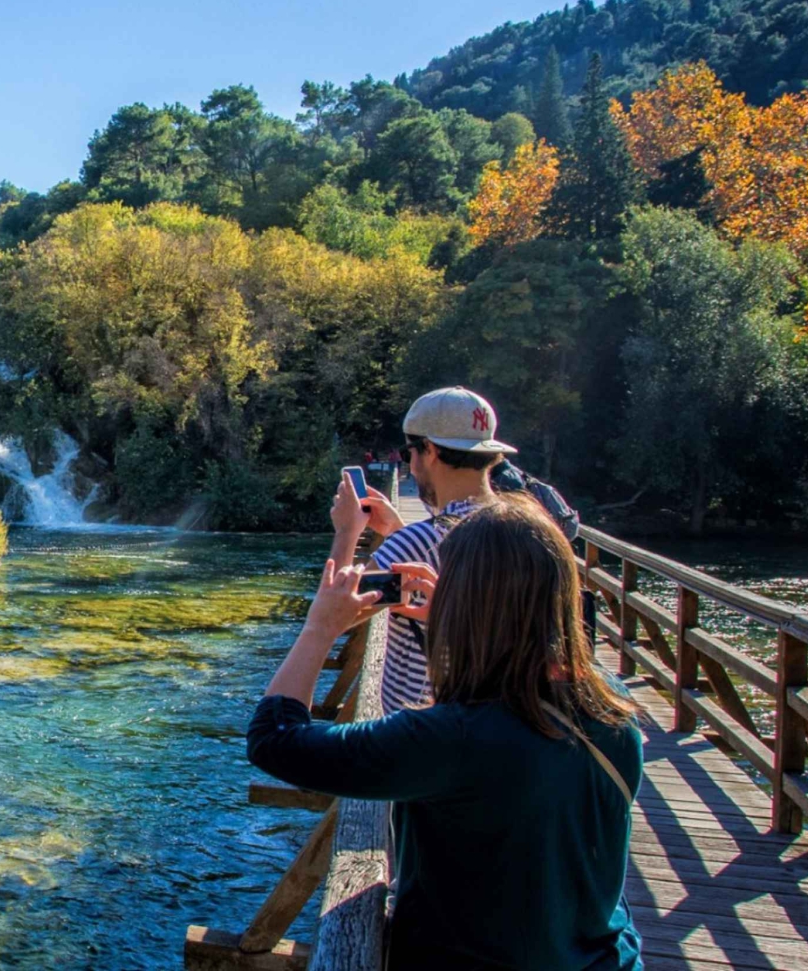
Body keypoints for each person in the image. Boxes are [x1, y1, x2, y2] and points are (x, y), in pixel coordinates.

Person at [248, 497, 644, 970]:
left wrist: (319, 627)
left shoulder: (452, 740)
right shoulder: (612, 706)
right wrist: (455, 629)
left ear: (469, 600)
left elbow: (275, 738)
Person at [327, 385, 515, 712]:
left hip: (425, 735)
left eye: (409, 452)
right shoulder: (526, 528)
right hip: (499, 723)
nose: (410, 464)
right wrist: (397, 531)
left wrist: (347, 532)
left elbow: (333, 616)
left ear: (428, 450)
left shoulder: (421, 542)